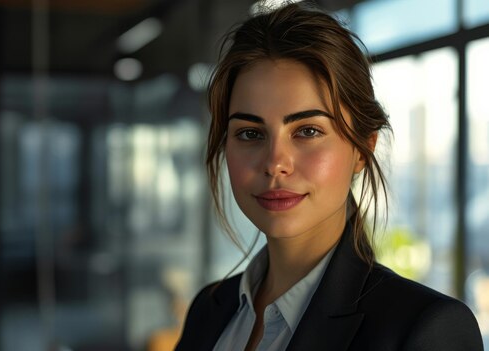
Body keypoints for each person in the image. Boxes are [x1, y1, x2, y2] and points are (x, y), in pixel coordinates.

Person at [175, 1, 483, 350]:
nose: (275, 163)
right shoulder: (209, 310)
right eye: (250, 133)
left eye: (307, 131)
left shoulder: (424, 329)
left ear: (363, 149)